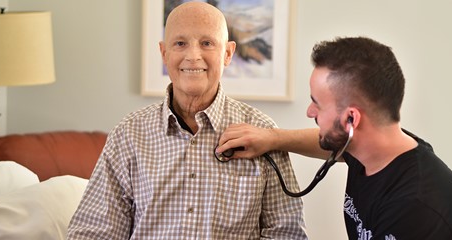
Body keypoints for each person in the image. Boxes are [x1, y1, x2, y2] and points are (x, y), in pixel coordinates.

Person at [67, 2, 307, 239]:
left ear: (228, 53)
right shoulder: (129, 134)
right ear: (164, 53)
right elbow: (94, 233)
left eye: (207, 43)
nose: (193, 56)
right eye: (180, 43)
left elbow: (287, 234)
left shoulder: (263, 132)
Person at [217, 37, 452, 239]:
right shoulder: (376, 145)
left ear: (352, 120)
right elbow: (336, 145)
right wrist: (272, 138)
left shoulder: (416, 206)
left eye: (317, 104)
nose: (310, 112)